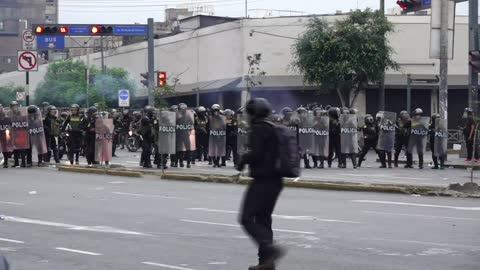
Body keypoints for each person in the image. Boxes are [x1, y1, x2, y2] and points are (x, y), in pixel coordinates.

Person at [237, 98, 286, 270]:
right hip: (276, 181)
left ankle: (269, 248)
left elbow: (255, 154)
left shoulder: (258, 129)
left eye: (249, 113)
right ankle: (266, 263)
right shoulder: (273, 128)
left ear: (254, 113)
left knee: (246, 218)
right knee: (264, 220)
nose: (248, 117)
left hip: (263, 180)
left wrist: (242, 159)